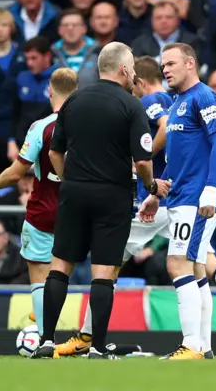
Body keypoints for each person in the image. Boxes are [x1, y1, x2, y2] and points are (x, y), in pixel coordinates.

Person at [58, 56, 216, 357]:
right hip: (167, 197)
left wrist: (140, 158)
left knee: (110, 261)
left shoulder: (152, 100)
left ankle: (88, 335)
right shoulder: (177, 100)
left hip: (161, 198)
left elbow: (163, 129)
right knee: (204, 265)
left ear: (139, 82)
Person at [32, 42, 170, 360]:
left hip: (74, 192)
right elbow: (143, 160)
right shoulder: (131, 105)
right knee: (104, 271)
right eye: (132, 67)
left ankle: (46, 342)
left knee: (60, 266)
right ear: (123, 69)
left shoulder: (73, 100)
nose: (135, 72)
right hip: (113, 195)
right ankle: (96, 346)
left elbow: (54, 151)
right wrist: (150, 186)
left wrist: (70, 180)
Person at [138, 43, 216, 360]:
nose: (165, 70)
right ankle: (203, 347)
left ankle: (192, 345)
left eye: (171, 63)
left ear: (190, 63)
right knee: (196, 269)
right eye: (162, 65)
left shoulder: (203, 96)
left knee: (178, 263)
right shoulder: (176, 103)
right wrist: (156, 196)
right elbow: (177, 159)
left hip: (196, 199)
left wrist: (212, 189)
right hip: (179, 197)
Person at [0, 68, 78, 340]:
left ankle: (46, 339)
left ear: (50, 91)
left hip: (44, 212)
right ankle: (92, 340)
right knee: (94, 273)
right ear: (77, 92)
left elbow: (15, 173)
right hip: (80, 212)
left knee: (40, 273)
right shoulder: (89, 124)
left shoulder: (41, 127)